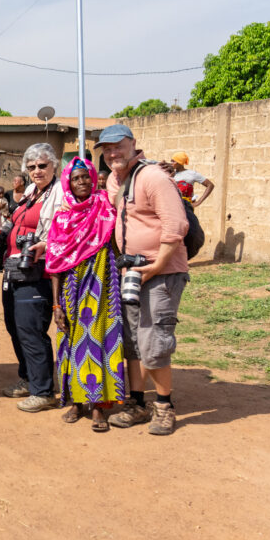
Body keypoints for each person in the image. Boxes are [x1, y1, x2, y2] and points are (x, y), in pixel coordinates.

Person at [100, 124, 189, 435]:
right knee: (133, 344)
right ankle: (137, 404)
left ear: (133, 144)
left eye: (118, 146)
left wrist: (158, 264)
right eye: (107, 149)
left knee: (154, 342)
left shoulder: (153, 177)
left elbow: (176, 225)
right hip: (131, 274)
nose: (113, 153)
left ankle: (164, 406)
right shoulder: (115, 179)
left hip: (161, 274)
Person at [45, 158, 125, 432]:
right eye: (76, 179)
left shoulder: (105, 206)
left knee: (99, 340)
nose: (81, 183)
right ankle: (76, 402)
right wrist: (56, 304)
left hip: (102, 285)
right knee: (70, 342)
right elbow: (54, 265)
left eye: (85, 177)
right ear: (68, 182)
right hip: (70, 289)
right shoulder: (62, 217)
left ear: (94, 178)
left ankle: (98, 407)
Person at [0, 142, 65, 412]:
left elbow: (65, 230)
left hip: (38, 272)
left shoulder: (60, 192)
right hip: (14, 268)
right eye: (31, 167)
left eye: (42, 166)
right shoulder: (30, 192)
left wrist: (46, 245)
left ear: (54, 166)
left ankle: (43, 391)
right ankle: (28, 379)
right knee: (15, 328)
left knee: (32, 330)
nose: (37, 171)